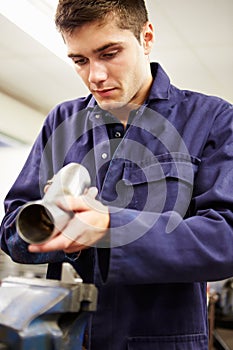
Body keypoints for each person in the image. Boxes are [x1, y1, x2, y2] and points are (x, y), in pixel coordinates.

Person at [1, 0, 233, 349]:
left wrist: (114, 228)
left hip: (164, 340)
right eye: (79, 60)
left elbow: (226, 237)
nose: (94, 75)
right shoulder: (61, 123)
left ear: (146, 37)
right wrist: (56, 236)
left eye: (109, 53)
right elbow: (11, 230)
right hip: (66, 336)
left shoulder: (212, 118)